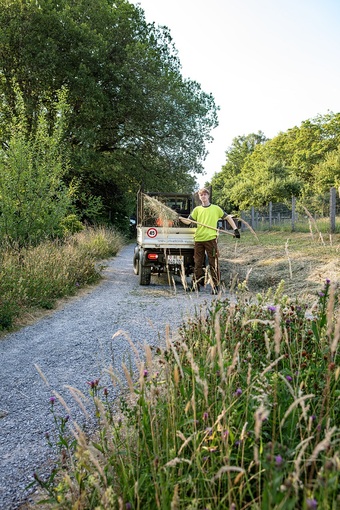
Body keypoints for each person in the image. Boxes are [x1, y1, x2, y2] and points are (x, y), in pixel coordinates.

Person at [188, 187, 240, 294]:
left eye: (204, 194)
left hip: (211, 240)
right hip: (198, 240)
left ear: (208, 196)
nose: (203, 196)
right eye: (201, 195)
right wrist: (178, 217)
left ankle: (216, 287)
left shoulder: (216, 209)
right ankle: (195, 285)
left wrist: (235, 229)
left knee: (213, 263)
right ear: (199, 197)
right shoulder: (197, 210)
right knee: (197, 263)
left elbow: (228, 217)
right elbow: (188, 222)